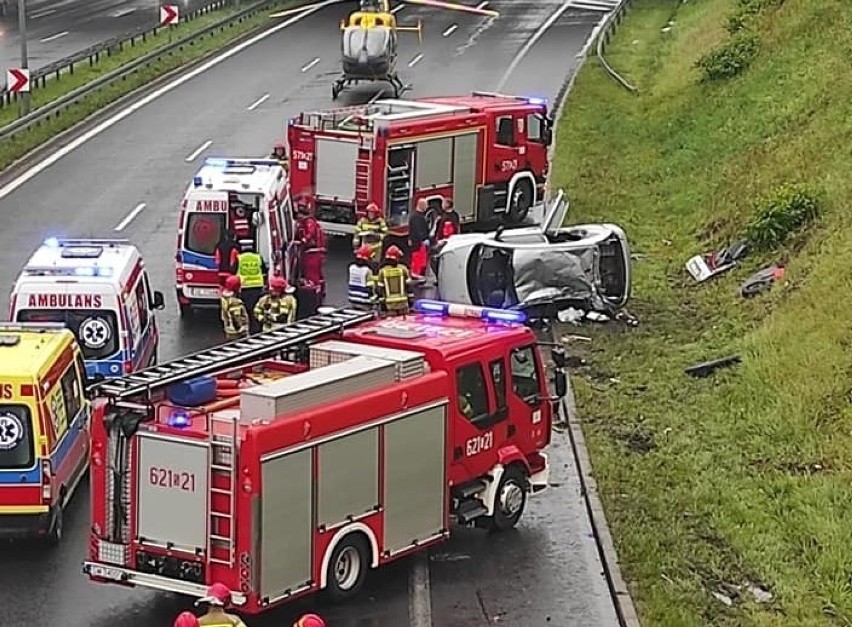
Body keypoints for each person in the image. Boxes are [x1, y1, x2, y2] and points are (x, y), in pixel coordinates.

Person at [293, 204, 327, 297]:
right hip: (314, 252)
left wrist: (301, 241)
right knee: (317, 274)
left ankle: (314, 295)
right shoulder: (308, 222)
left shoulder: (308, 222)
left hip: (312, 252)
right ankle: (320, 292)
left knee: (312, 276)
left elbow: (309, 234)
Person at [235, 239, 267, 334]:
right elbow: (264, 270)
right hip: (257, 287)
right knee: (257, 308)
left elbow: (233, 271)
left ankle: (250, 329)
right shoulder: (258, 257)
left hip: (245, 288)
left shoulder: (239, 258)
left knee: (247, 310)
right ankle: (258, 329)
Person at [375, 245, 411, 316]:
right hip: (403, 304)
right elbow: (409, 287)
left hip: (389, 305)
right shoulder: (403, 269)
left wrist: (382, 304)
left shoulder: (382, 271)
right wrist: (410, 300)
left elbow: (380, 289)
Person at [348, 244, 377, 309]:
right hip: (365, 302)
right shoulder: (367, 271)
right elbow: (371, 288)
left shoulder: (351, 267)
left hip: (353, 300)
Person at [220, 275, 249, 341]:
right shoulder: (235, 302)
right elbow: (236, 317)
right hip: (237, 333)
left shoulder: (225, 298)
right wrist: (242, 331)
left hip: (229, 330)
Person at [408, 198, 430, 278]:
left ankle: (418, 274)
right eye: (426, 205)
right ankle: (416, 275)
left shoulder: (417, 216)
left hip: (418, 243)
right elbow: (418, 230)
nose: (427, 207)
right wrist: (424, 239)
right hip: (417, 243)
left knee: (421, 260)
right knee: (418, 260)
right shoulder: (416, 217)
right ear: (421, 205)